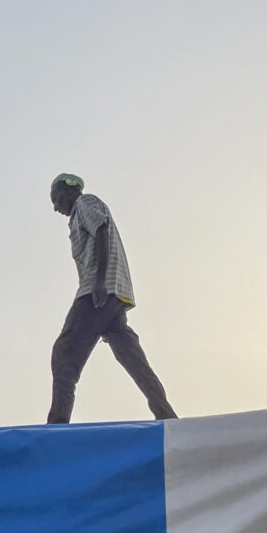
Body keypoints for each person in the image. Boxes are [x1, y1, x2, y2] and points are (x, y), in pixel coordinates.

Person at [46, 173, 177, 424]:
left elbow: (101, 229)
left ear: (70, 189)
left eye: (56, 198)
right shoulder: (77, 215)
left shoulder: (84, 204)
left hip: (98, 291)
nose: (55, 206)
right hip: (113, 296)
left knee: (64, 354)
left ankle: (56, 425)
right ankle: (164, 412)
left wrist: (99, 282)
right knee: (130, 356)